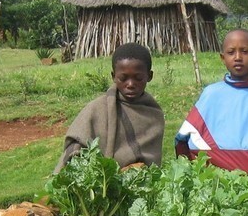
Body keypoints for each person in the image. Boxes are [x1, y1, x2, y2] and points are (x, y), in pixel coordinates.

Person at [174, 29, 248, 173]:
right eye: (231, 52)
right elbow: (182, 141)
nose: (238, 57)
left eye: (245, 51)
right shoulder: (211, 95)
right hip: (214, 183)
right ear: (222, 57)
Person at [53, 42, 165, 173]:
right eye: (123, 78)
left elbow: (151, 163)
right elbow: (75, 147)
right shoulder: (96, 109)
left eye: (138, 78)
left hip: (140, 185)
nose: (130, 84)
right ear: (113, 76)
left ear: (149, 76)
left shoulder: (153, 114)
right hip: (96, 185)